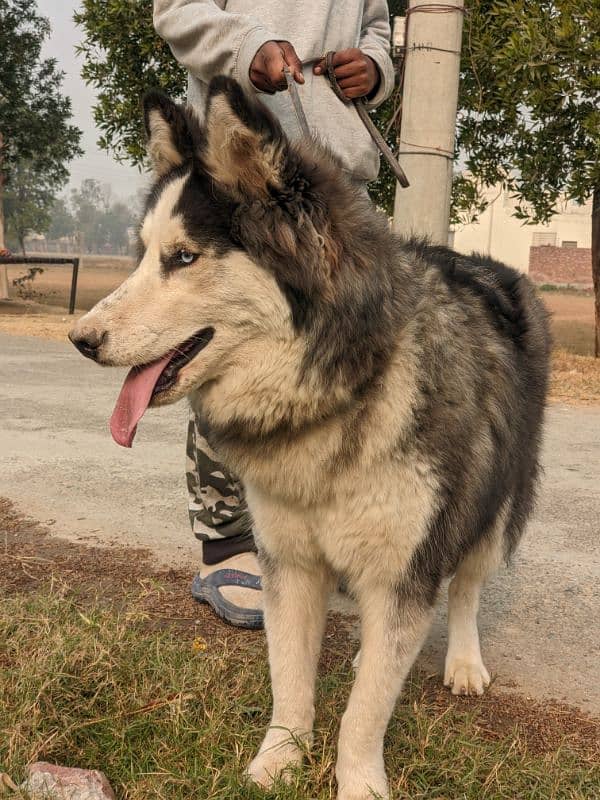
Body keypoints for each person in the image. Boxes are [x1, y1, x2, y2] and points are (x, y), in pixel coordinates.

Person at [153, 0, 395, 628]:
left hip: (338, 176)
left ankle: (316, 534)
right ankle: (226, 541)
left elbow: (376, 24)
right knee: (225, 345)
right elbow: (175, 9)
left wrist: (374, 65)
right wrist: (247, 46)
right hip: (238, 171)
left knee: (347, 357)